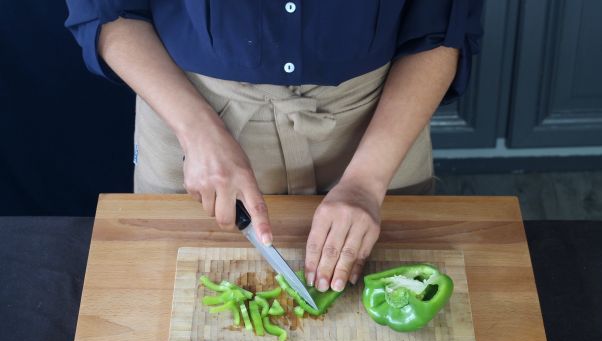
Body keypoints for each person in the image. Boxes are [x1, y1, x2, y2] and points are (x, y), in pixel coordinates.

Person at [65, 1, 483, 293]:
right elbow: (107, 12)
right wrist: (197, 132)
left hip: (376, 130)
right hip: (192, 129)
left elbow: (442, 28)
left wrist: (366, 182)